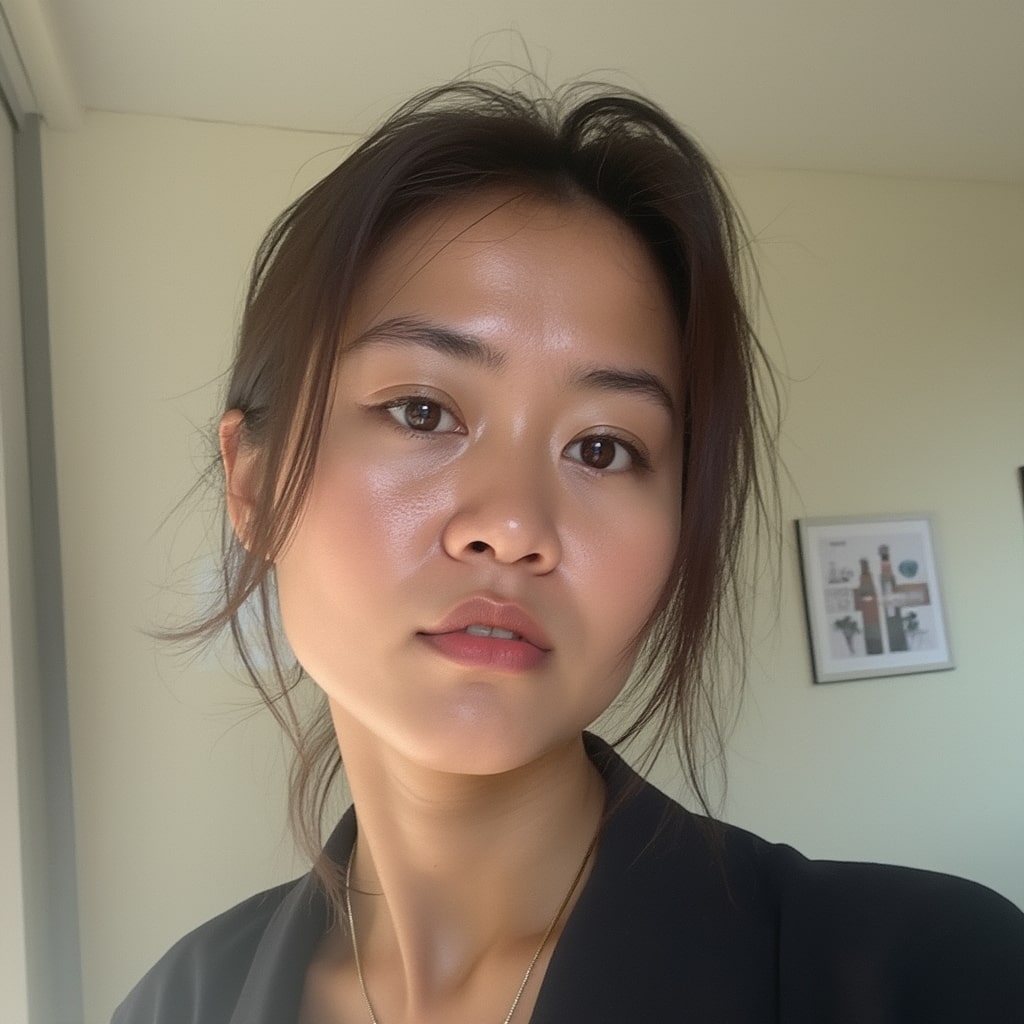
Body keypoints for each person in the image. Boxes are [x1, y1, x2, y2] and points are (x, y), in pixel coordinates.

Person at [113, 79, 1024, 1024]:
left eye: (602, 448)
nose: (514, 526)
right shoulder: (173, 1005)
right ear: (253, 485)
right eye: (421, 411)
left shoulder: (936, 976)